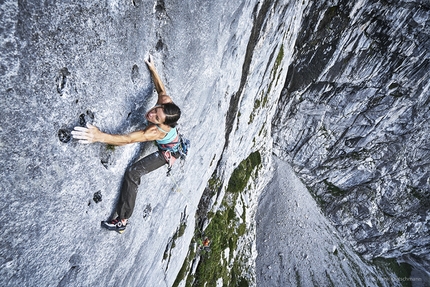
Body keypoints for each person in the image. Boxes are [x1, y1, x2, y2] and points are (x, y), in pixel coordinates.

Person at [72, 55, 181, 233]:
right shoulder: (165, 103)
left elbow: (128, 139)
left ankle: (122, 220)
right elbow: (160, 89)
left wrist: (99, 136)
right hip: (172, 139)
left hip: (169, 152)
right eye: (155, 110)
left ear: (163, 125)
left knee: (133, 173)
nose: (151, 114)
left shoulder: (153, 132)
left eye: (156, 118)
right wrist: (153, 69)